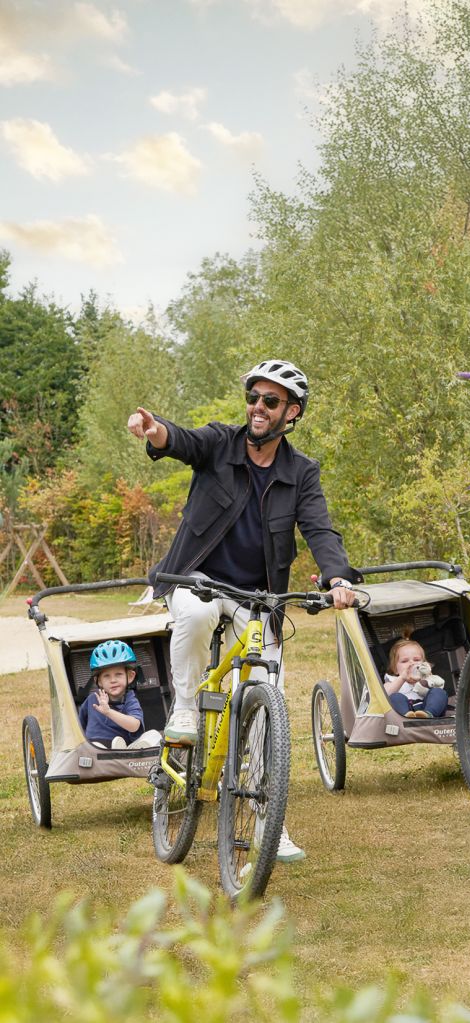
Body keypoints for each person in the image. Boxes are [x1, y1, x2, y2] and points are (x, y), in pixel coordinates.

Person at [127, 358, 360, 862]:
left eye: (270, 401)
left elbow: (319, 529)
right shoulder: (219, 444)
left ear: (292, 412)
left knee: (266, 698)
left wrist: (338, 577)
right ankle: (185, 708)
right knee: (194, 615)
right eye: (253, 397)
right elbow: (180, 440)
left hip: (257, 597)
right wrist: (155, 431)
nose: (258, 407)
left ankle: (268, 819)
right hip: (196, 578)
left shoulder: (301, 473)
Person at [78, 640, 162, 749]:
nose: (113, 680)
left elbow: (134, 726)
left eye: (118, 674)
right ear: (98, 681)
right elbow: (78, 726)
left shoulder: (130, 699)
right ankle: (117, 751)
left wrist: (108, 712)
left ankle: (131, 751)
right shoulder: (92, 699)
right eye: (106, 676)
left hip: (124, 745)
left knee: (154, 735)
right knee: (92, 745)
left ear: (130, 676)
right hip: (97, 749)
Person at [384, 634, 449, 719]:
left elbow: (439, 687)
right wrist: (402, 678)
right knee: (394, 697)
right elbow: (384, 697)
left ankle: (428, 715)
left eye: (416, 660)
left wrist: (427, 678)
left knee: (438, 692)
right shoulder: (392, 681)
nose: (412, 663)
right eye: (404, 661)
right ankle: (407, 718)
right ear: (395, 669)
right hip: (405, 714)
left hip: (427, 709)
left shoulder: (427, 679)